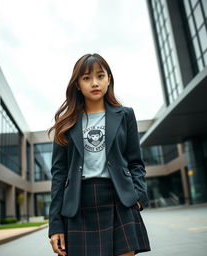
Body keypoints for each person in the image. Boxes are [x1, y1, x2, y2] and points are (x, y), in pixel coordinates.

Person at [47, 53, 151, 256]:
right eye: (86, 78)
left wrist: (139, 196)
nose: (94, 83)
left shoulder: (125, 115)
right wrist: (56, 225)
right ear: (77, 84)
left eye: (100, 76)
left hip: (120, 199)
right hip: (79, 204)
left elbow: (135, 162)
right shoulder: (66, 124)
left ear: (109, 78)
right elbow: (59, 175)